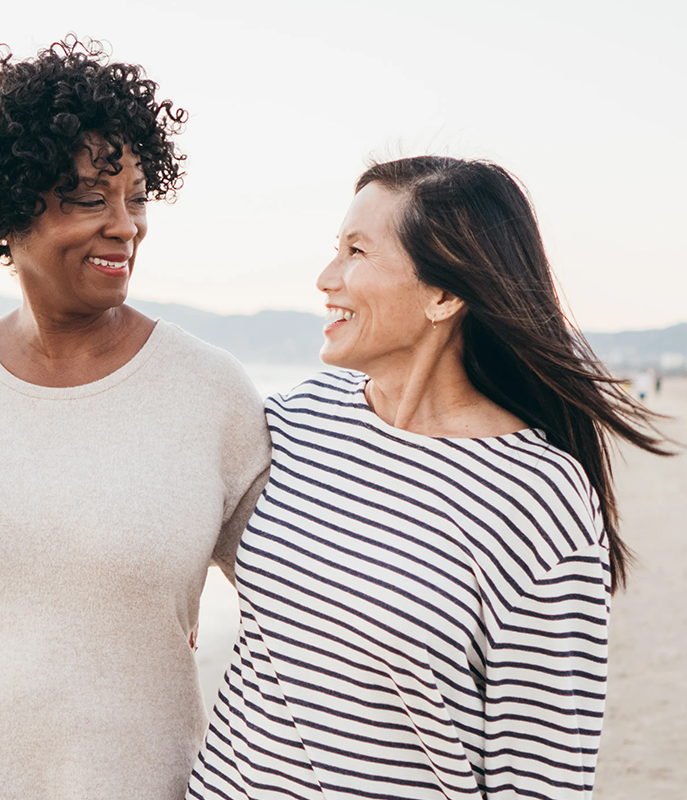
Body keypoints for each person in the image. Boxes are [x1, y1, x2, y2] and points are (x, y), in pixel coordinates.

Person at [189, 156, 671, 799]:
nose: (326, 277)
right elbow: (176, 524)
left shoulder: (537, 497)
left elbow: (542, 775)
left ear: (444, 294)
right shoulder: (298, 419)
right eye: (336, 249)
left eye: (357, 251)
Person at [0, 37, 271, 800]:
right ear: (7, 210)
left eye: (138, 198)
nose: (127, 226)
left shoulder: (209, 390)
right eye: (91, 199)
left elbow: (302, 601)